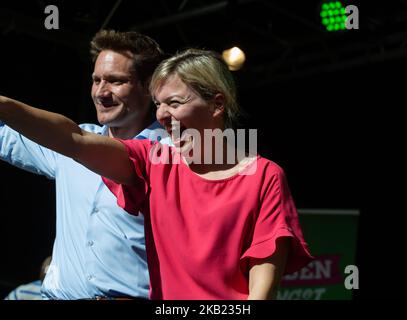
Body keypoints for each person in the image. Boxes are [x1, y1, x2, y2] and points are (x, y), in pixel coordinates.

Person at [0, 49, 313, 300]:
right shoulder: (154, 161)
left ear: (217, 104)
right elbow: (74, 139)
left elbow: (263, 279)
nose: (162, 115)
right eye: (160, 104)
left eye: (174, 103)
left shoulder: (264, 175)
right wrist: (6, 107)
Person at [0, 30, 170, 299]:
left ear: (149, 87)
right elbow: (4, 134)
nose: (101, 92)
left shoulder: (171, 153)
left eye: (115, 81)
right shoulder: (66, 144)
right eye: (96, 80)